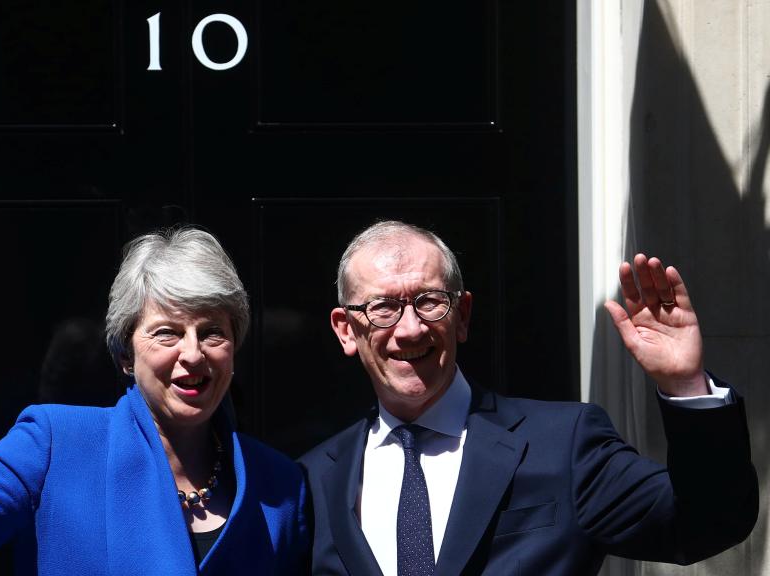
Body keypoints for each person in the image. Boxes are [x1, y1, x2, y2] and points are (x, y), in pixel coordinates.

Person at [0, 228, 309, 575]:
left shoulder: (279, 483)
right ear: (126, 354)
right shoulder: (55, 444)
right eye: (166, 332)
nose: (192, 354)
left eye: (212, 333)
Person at [299, 220, 757, 575]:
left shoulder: (563, 444)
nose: (411, 328)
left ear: (462, 316)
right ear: (346, 329)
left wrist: (685, 384)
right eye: (383, 308)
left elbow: (707, 524)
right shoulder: (312, 481)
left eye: (429, 301)